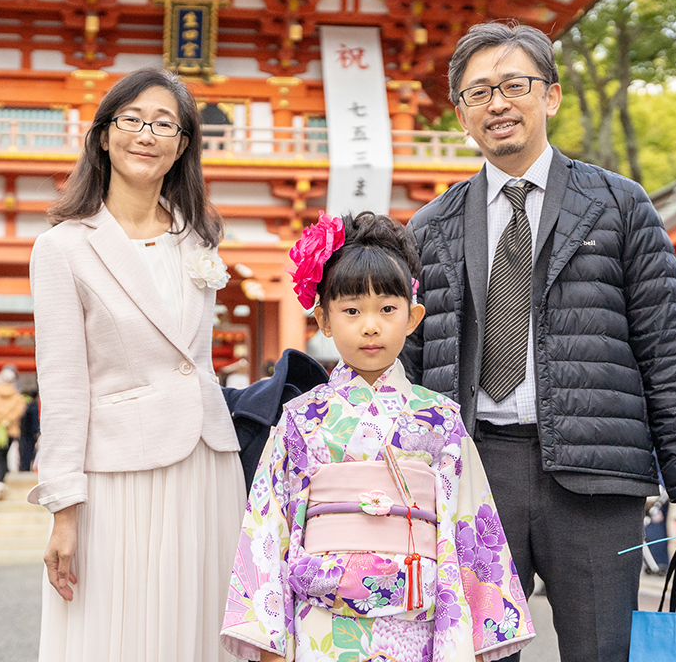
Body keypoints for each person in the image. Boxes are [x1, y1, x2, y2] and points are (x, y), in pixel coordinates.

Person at [401, 21, 676, 661]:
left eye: (514, 85)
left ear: (550, 96)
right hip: (473, 473)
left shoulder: (619, 205)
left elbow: (667, 350)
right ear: (462, 115)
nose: (498, 104)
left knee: (603, 651)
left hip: (596, 474)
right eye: (478, 93)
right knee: (470, 653)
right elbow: (409, 364)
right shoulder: (430, 225)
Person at [222, 212, 533, 662]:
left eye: (387, 309)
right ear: (324, 320)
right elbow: (269, 527)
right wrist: (270, 638)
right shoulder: (299, 419)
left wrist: (469, 632)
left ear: (413, 317)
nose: (370, 325)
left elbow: (466, 521)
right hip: (322, 618)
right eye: (352, 311)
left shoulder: (440, 419)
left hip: (415, 615)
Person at [29, 67, 243, 661]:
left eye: (164, 124)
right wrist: (62, 508)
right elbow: (63, 385)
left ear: (182, 145)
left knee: (200, 628)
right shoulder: (63, 247)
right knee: (119, 633)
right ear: (104, 135)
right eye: (132, 119)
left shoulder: (198, 239)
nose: (146, 134)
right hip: (119, 474)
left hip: (207, 467)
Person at [0, 367, 27, 499]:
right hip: (10, 429)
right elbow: (19, 410)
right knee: (6, 454)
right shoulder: (18, 396)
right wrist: (7, 419)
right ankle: (3, 478)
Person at [18, 388, 40, 473]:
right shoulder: (34, 407)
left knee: (24, 450)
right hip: (31, 433)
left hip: (23, 432)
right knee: (30, 451)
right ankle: (27, 467)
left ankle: (24, 467)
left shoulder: (22, 404)